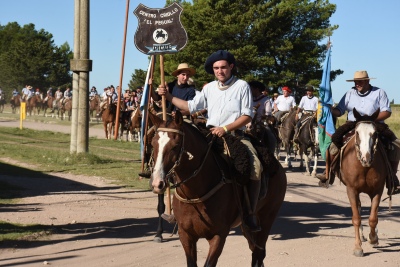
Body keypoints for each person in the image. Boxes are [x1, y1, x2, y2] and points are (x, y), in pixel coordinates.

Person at [157, 50, 262, 232]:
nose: (220, 71)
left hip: (234, 135)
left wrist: (226, 128)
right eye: (216, 68)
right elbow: (190, 107)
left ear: (231, 67)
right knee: (182, 161)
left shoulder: (242, 86)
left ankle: (249, 213)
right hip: (209, 134)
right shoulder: (209, 88)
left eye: (223, 67)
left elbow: (247, 115)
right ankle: (178, 211)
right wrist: (168, 97)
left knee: (256, 167)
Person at [316, 70, 400, 195]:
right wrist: (329, 110)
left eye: (360, 81)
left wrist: (370, 120)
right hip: (352, 124)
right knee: (333, 143)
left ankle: (392, 179)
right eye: (355, 82)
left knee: (395, 144)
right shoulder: (350, 93)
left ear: (367, 81)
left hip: (374, 123)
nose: (357, 84)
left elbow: (387, 112)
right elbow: (340, 110)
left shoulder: (379, 92)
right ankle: (328, 172)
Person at [248, 80, 276, 152]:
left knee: (270, 136)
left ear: (257, 89)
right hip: (248, 121)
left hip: (261, 122)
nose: (249, 90)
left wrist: (263, 117)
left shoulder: (266, 100)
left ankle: (271, 153)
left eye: (251, 88)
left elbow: (268, 113)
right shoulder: (249, 99)